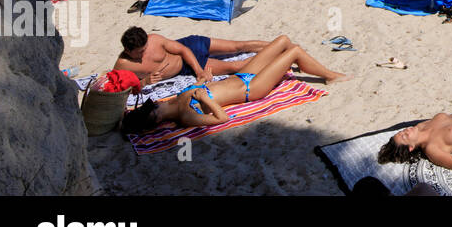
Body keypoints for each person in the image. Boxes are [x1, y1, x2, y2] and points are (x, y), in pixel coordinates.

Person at [120, 36, 349, 135]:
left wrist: (202, 81)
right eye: (155, 108)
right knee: (294, 52)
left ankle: (303, 66)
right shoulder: (186, 116)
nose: (158, 103)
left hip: (241, 76)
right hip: (252, 89)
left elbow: (195, 87)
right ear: (158, 119)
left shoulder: (174, 100)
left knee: (283, 41)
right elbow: (222, 119)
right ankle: (330, 76)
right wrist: (206, 99)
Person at [115, 27, 272, 83]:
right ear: (128, 51)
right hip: (185, 68)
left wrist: (199, 71)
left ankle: (279, 45)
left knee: (238, 46)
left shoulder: (154, 40)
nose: (144, 53)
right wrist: (145, 83)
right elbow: (119, 89)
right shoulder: (123, 65)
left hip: (190, 46)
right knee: (235, 66)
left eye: (145, 48)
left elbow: (183, 50)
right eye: (139, 52)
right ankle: (277, 54)